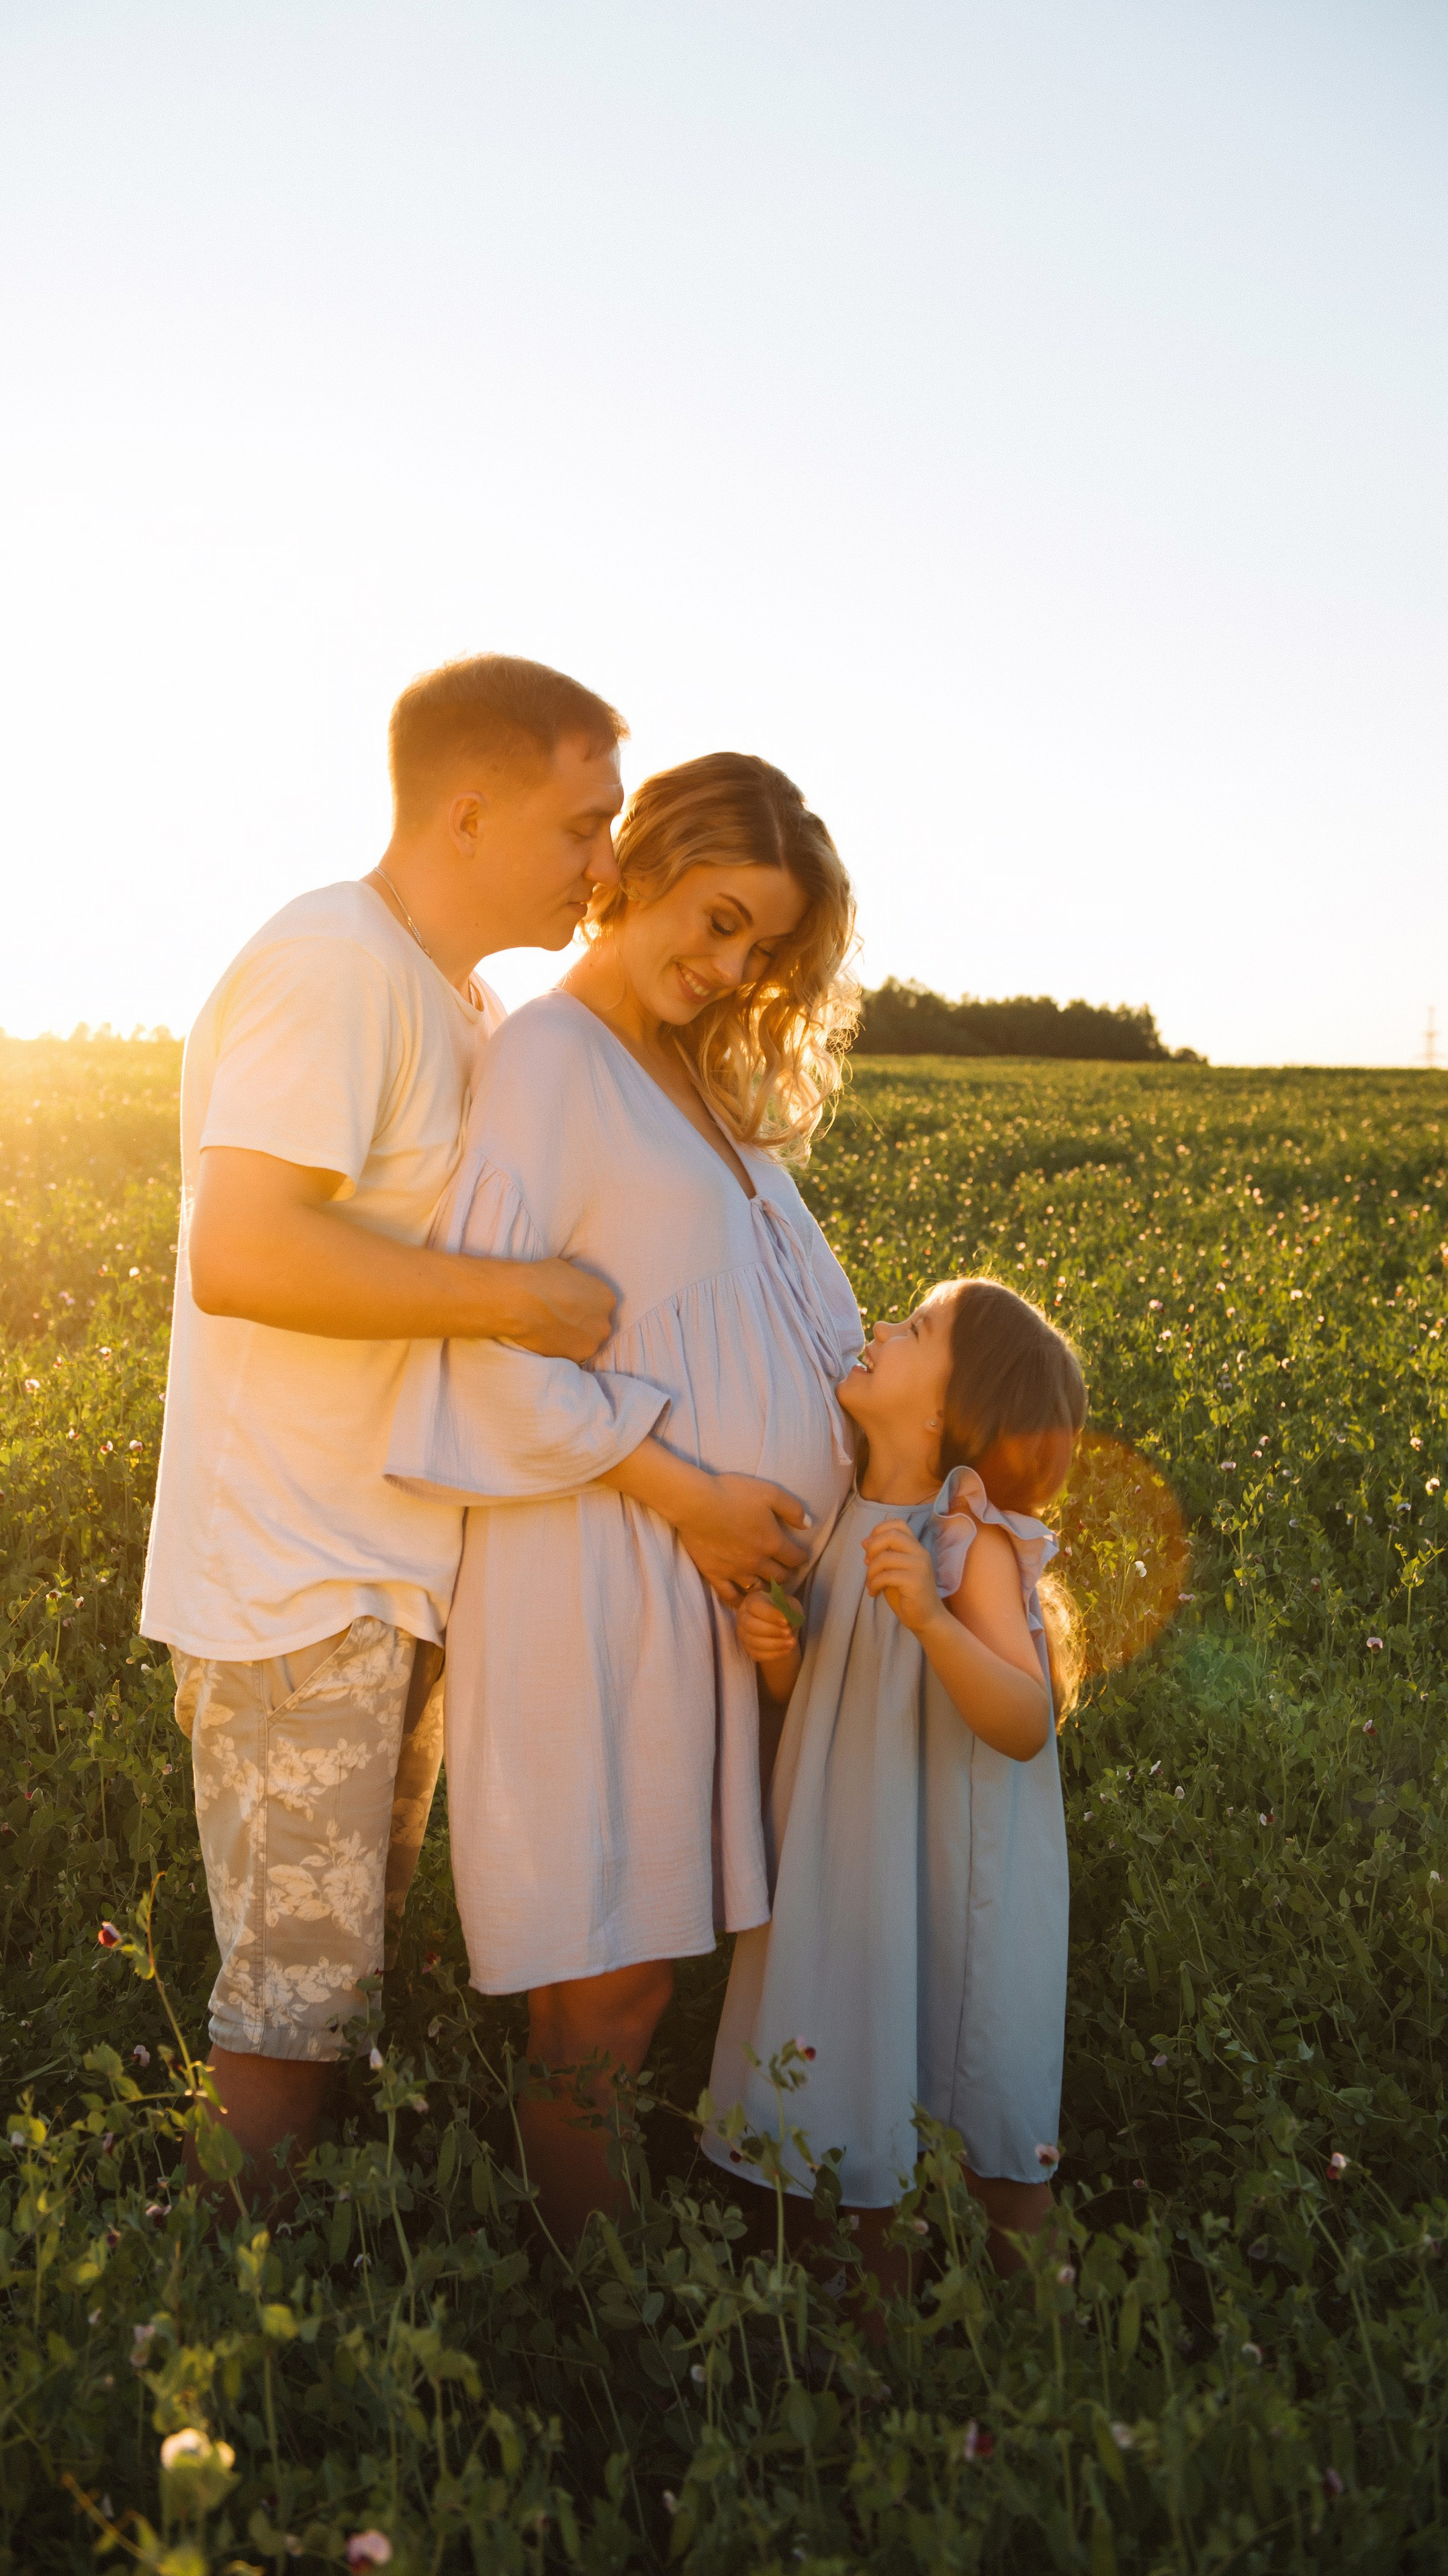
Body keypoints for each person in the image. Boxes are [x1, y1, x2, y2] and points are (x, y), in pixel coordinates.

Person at [138, 654, 636, 2204]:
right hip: (297, 1572)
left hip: (382, 1563)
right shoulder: (334, 964)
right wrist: (514, 1302)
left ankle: (302, 2308)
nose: (602, 867)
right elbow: (248, 1251)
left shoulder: (458, 995)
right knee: (291, 2000)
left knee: (338, 1974)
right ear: (470, 812)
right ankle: (223, 2336)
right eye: (581, 826)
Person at [388, 752, 864, 2239]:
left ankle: (617, 2294)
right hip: (596, 1566)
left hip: (702, 1583)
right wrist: (695, 1495)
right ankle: (589, 2337)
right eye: (715, 920)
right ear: (638, 864)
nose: (727, 966)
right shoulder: (551, 1058)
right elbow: (485, 1351)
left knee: (653, 1973)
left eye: (759, 948)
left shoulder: (694, 1076)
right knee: (602, 1984)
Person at [705, 1278, 1085, 2284]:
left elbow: (1024, 1719)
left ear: (948, 1413)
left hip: (954, 1872)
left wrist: (931, 1618)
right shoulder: (837, 1516)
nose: (879, 1328)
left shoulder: (968, 1544)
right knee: (860, 2127)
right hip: (853, 1857)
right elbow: (815, 1688)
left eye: (914, 1329)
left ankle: (1059, 2360)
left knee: (994, 2143)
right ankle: (882, 2382)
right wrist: (774, 1644)